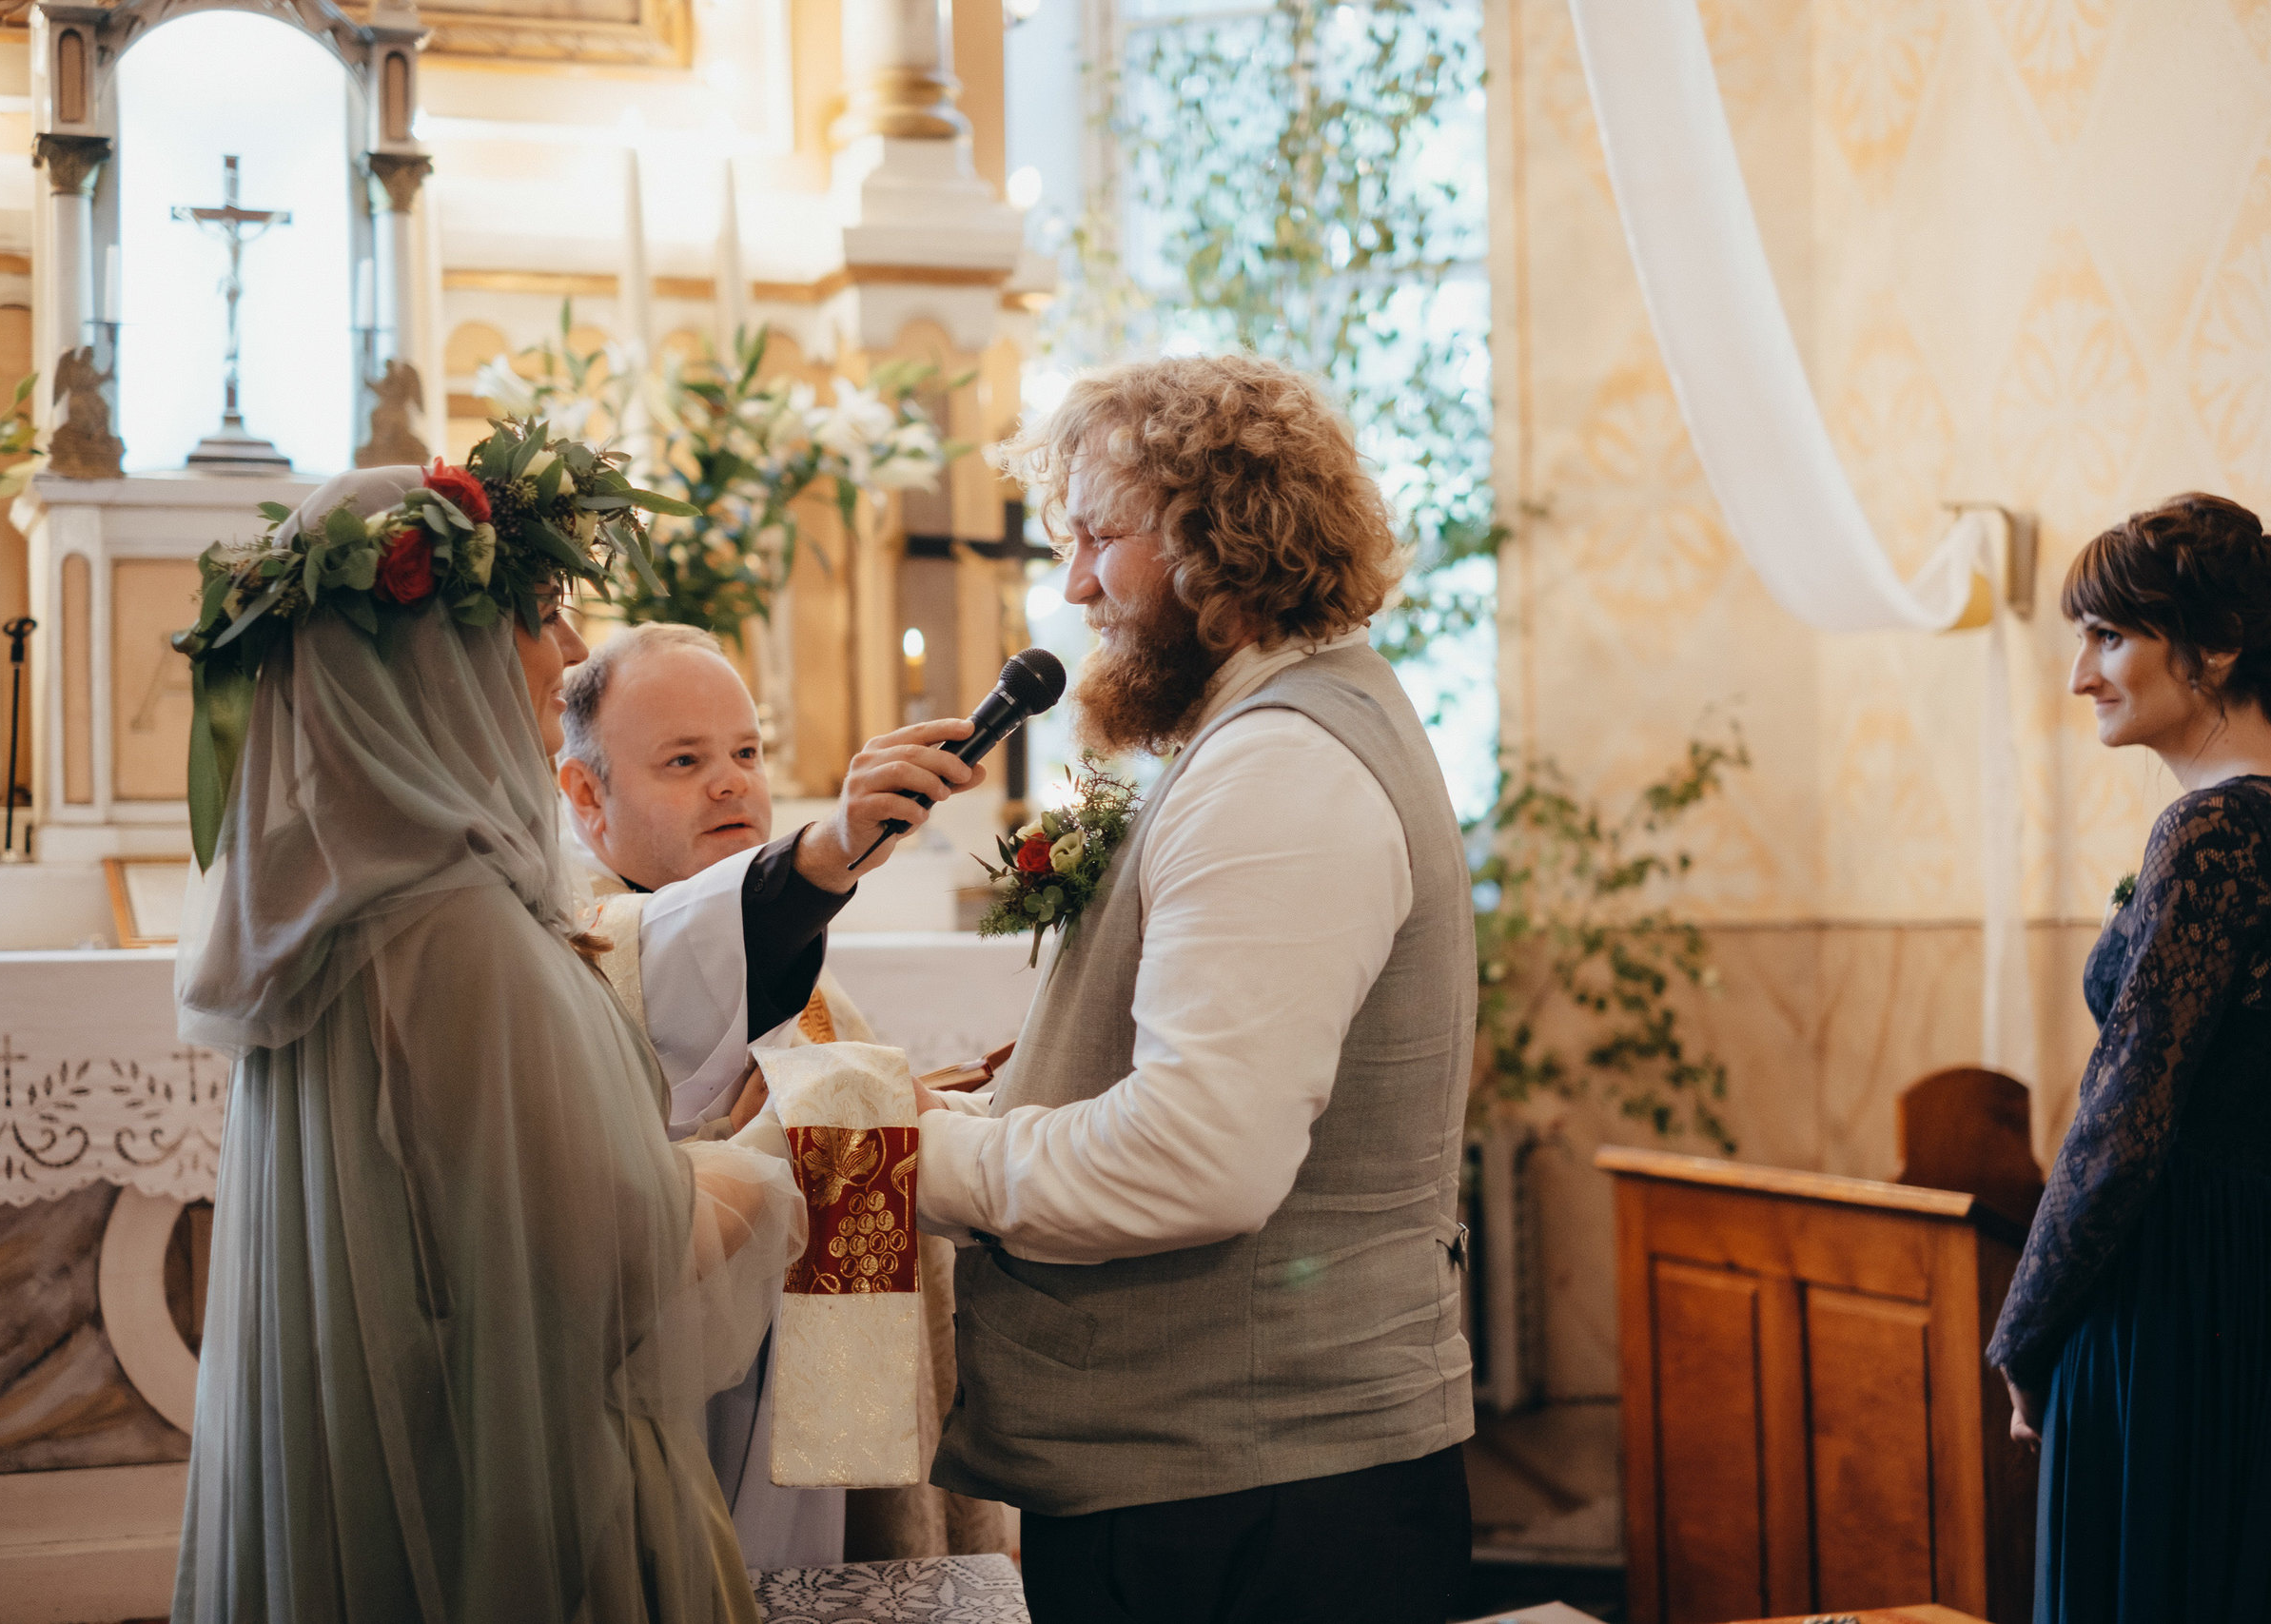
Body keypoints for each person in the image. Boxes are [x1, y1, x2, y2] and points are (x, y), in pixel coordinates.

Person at [172, 460, 804, 1624]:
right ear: (436, 652)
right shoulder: (454, 930)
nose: (564, 655)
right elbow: (610, 1265)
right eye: (538, 614)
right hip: (509, 1494)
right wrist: (766, 1160)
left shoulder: (330, 910)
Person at [914, 353, 1478, 1621]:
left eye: (1100, 537)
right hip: (1226, 1485)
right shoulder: (1266, 733)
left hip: (1254, 1513)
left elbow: (1196, 1159)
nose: (1073, 584)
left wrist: (914, 1162)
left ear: (1217, 537)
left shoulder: (1279, 765)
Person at [1986, 494, 2271, 1622]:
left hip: (2177, 1283)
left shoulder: (2212, 831)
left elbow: (2123, 1119)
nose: (2080, 675)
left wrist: (2027, 1330)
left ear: (2210, 650)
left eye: (2108, 636)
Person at [552, 620, 999, 1567]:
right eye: (682, 760)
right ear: (586, 795)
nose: (730, 782)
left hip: (823, 1419)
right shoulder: (577, 953)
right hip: (685, 1419)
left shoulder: (805, 970)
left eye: (745, 753)